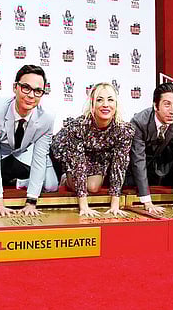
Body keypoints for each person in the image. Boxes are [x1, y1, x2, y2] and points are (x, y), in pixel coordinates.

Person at [0, 65, 58, 217]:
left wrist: (31, 202)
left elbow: (39, 158)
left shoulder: (47, 117)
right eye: (26, 88)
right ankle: (6, 182)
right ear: (15, 87)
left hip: (24, 147)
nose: (31, 95)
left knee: (51, 185)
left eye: (38, 91)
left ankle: (19, 182)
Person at [51, 82, 135, 217]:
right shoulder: (79, 126)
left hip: (98, 156)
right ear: (92, 105)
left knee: (93, 188)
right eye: (99, 100)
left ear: (116, 104)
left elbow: (120, 165)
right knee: (81, 184)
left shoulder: (124, 130)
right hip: (68, 152)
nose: (105, 105)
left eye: (110, 100)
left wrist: (115, 205)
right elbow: (78, 162)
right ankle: (65, 178)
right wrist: (84, 207)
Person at [128, 82, 173, 214]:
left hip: (160, 166)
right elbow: (138, 160)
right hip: (134, 168)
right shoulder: (139, 122)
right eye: (167, 104)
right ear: (156, 105)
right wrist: (147, 202)